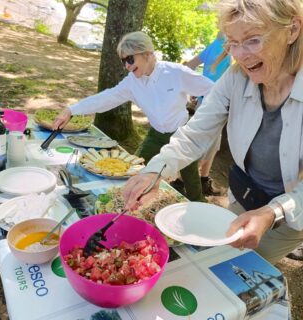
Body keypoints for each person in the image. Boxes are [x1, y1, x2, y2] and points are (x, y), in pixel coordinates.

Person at [123, 0, 303, 265]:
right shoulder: (234, 78)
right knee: (219, 261)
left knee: (244, 268)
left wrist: (272, 212)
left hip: (291, 214)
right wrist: (155, 170)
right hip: (244, 196)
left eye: (253, 40)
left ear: (292, 30)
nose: (240, 55)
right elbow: (195, 134)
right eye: (232, 43)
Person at [52, 31, 214, 201]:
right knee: (132, 169)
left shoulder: (176, 72)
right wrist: (72, 109)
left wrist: (200, 120)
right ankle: (125, 203)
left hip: (181, 136)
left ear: (147, 53)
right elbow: (106, 98)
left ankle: (200, 211)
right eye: (123, 61)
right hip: (156, 134)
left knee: (192, 186)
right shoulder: (132, 82)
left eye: (130, 59)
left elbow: (213, 90)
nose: (127, 66)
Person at [185, 32, 232, 196]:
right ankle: (181, 180)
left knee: (212, 144)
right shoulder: (229, 47)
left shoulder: (216, 44)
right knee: (202, 142)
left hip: (207, 102)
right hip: (214, 103)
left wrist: (193, 87)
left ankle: (203, 180)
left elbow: (190, 65)